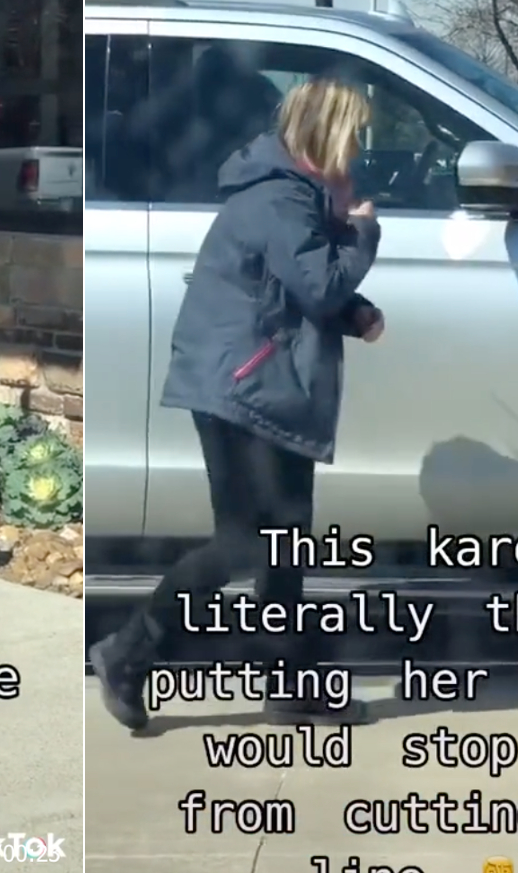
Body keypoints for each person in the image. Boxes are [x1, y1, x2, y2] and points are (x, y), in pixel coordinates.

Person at [88, 75, 387, 733]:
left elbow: (286, 292)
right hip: (243, 388)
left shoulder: (290, 195)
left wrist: (355, 312)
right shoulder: (279, 197)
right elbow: (315, 282)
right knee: (247, 542)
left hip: (261, 382)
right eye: (353, 137)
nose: (358, 152)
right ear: (325, 135)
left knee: (282, 545)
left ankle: (290, 685)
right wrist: (363, 233)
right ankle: (128, 652)